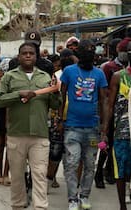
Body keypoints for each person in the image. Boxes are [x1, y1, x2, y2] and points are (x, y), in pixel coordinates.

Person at [0, 42, 61, 210]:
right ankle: (18, 206)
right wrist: (18, 94)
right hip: (17, 134)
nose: (28, 55)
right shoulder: (9, 77)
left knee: (39, 176)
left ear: (36, 56)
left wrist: (55, 91)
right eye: (25, 53)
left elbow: (55, 104)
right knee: (17, 177)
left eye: (31, 53)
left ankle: (40, 207)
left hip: (40, 135)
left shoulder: (45, 77)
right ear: (19, 56)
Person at [60, 39, 108, 210]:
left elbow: (104, 101)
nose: (89, 53)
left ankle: (85, 196)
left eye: (92, 50)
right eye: (85, 50)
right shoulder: (69, 71)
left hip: (93, 128)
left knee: (89, 164)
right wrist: (60, 119)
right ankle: (72, 198)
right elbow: (62, 95)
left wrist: (104, 126)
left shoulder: (99, 74)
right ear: (78, 52)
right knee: (72, 163)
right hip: (72, 126)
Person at [101, 40, 131, 210]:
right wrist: (104, 131)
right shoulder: (119, 76)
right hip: (122, 133)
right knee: (120, 170)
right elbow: (109, 106)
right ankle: (122, 206)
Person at [95, 37, 125, 189]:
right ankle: (99, 172)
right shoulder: (108, 67)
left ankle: (110, 171)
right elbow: (104, 93)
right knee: (106, 145)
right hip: (111, 111)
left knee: (119, 146)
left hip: (125, 114)